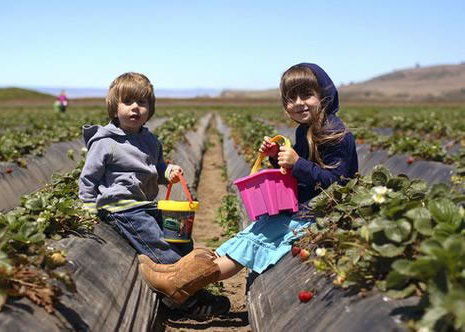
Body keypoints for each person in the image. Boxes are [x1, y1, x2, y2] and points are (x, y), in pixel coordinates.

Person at [138, 63, 359, 307]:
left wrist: (297, 164)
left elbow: (337, 184)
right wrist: (277, 156)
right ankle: (171, 274)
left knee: (249, 247)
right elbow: (296, 174)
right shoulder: (303, 131)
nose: (298, 103)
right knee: (244, 237)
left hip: (316, 216)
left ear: (324, 95)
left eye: (306, 95)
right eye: (291, 97)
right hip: (300, 209)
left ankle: (178, 286)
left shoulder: (336, 135)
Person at [78, 72, 230, 318]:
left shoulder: (150, 140)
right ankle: (185, 302)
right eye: (128, 102)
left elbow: (154, 169)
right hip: (121, 208)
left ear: (150, 108)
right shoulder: (104, 142)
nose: (135, 108)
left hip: (146, 204)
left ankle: (187, 287)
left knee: (179, 240)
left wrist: (167, 171)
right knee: (159, 248)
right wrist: (87, 205)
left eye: (142, 102)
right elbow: (88, 177)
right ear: (114, 108)